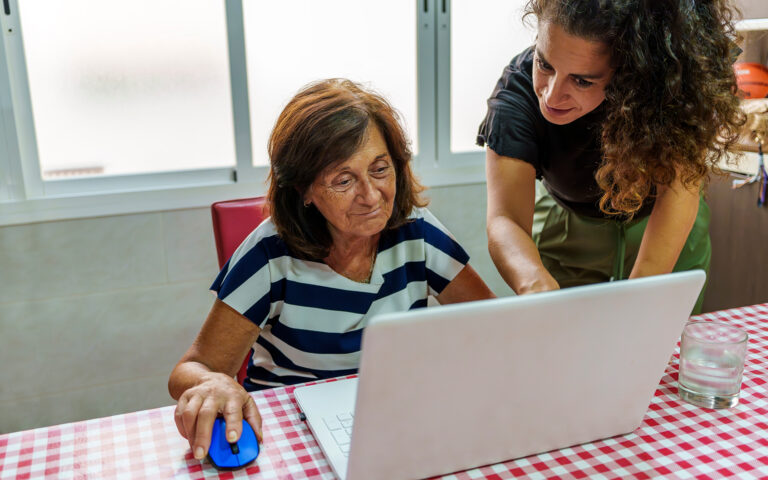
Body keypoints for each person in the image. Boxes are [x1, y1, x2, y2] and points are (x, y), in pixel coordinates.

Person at [169, 78, 495, 461]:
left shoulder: (416, 231)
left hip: (390, 416)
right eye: (343, 180)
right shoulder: (269, 254)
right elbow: (192, 368)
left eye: (380, 169)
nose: (371, 196)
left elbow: (493, 325)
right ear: (304, 190)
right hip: (290, 430)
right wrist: (213, 383)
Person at [478, 0, 744, 313]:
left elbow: (676, 196)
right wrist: (535, 285)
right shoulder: (516, 93)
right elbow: (506, 219)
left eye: (581, 80)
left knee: (656, 334)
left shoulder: (675, 85)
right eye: (544, 64)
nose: (551, 95)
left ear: (629, 72)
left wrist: (638, 301)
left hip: (664, 224)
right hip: (568, 225)